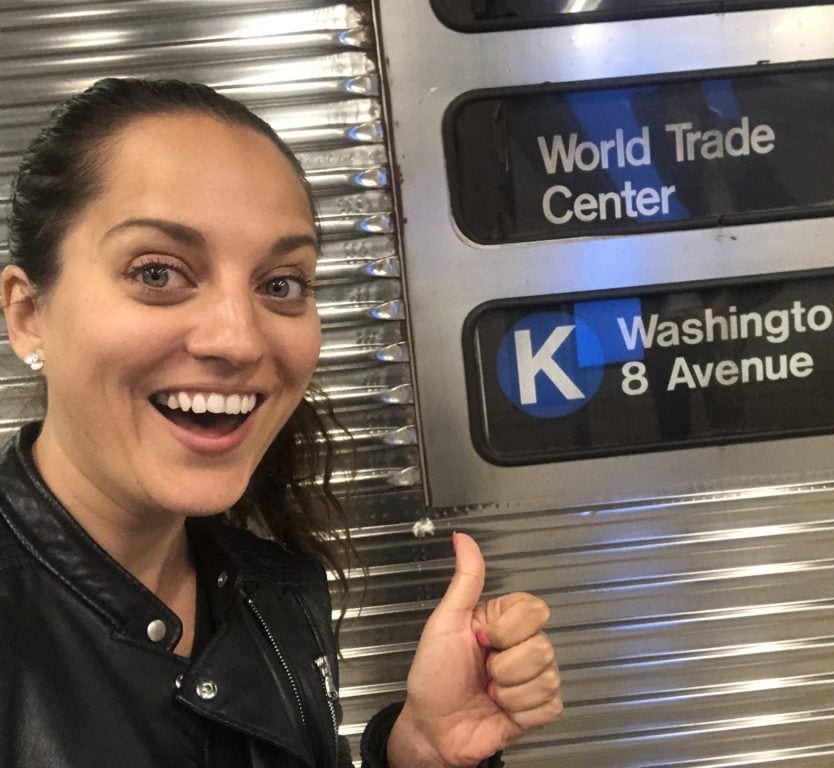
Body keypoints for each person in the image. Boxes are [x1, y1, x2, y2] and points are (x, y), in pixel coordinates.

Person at [0, 78, 562, 767]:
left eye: (280, 284)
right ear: (27, 312)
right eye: (157, 273)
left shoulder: (275, 592)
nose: (239, 341)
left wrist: (421, 754)